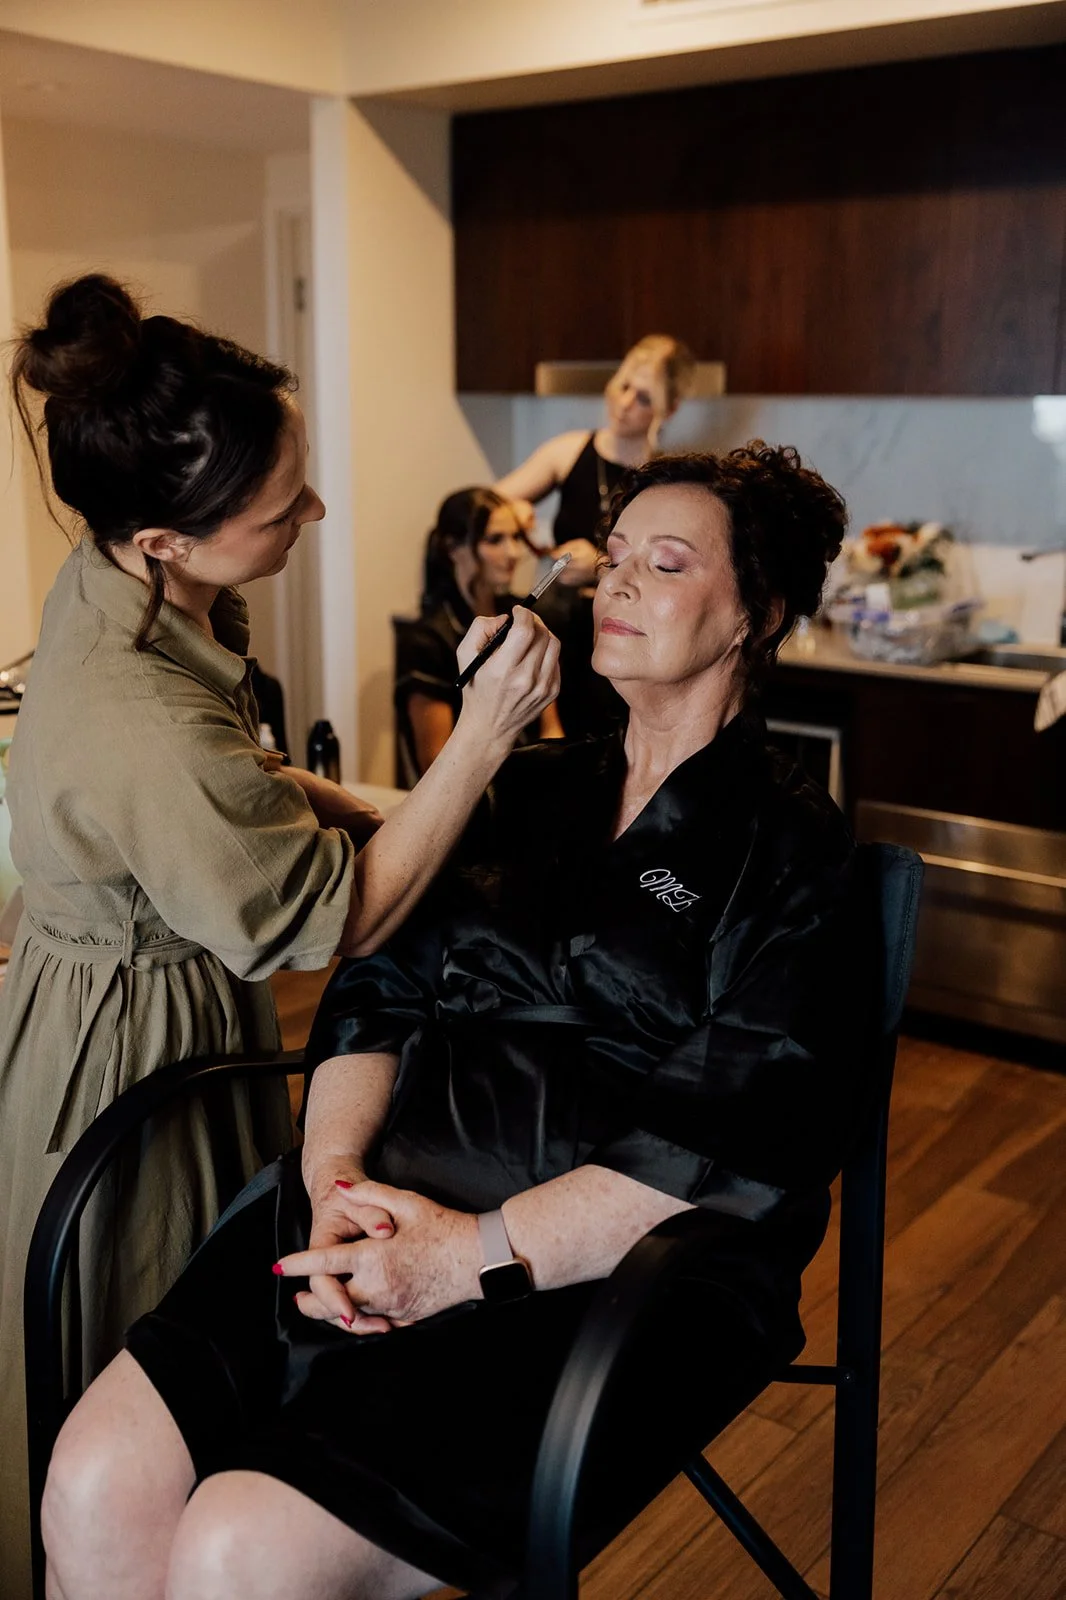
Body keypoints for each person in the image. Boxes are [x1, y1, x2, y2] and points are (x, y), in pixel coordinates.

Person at [42, 444, 870, 1600]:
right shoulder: (518, 789)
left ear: (758, 614)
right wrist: (333, 1176)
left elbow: (722, 1138)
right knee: (92, 1482)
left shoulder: (793, 850)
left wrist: (461, 1257)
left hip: (604, 1275)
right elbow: (374, 995)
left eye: (668, 562)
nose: (619, 581)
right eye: (614, 555)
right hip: (369, 1210)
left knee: (241, 1545)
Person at [0, 274, 559, 1599]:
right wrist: (479, 741)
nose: (314, 514)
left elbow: (226, 780)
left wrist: (338, 801)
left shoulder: (121, 591)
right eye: (282, 506)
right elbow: (337, 920)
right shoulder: (139, 714)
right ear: (164, 540)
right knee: (145, 1374)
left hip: (116, 990)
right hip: (127, 1061)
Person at [494, 333, 697, 737]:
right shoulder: (568, 451)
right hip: (558, 630)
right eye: (623, 386)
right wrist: (513, 513)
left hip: (627, 638)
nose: (625, 403)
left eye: (644, 398)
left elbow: (672, 573)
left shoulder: (667, 480)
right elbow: (484, 506)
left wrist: (600, 567)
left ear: (669, 409)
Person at [394, 487, 564, 783]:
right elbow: (435, 764)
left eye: (515, 537)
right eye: (495, 540)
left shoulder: (521, 617)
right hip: (470, 791)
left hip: (535, 781)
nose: (513, 552)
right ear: (452, 548)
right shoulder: (428, 639)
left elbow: (550, 726)